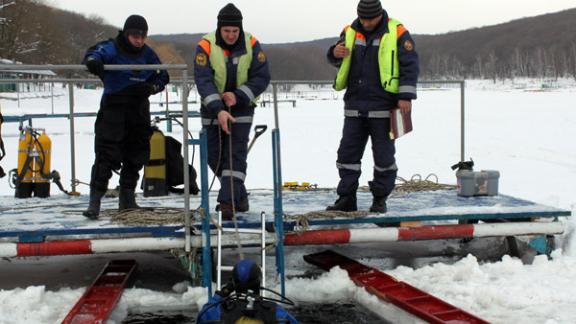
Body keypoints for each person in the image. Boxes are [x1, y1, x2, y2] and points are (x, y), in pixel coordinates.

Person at [326, 0, 419, 213]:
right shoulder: (349, 31)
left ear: (380, 15)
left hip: (384, 107)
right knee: (347, 156)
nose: (366, 23)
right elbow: (335, 58)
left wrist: (405, 96)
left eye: (371, 19)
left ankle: (380, 199)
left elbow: (410, 66)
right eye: (363, 18)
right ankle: (347, 198)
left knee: (384, 158)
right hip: (354, 106)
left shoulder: (397, 32)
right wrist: (333, 53)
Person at [82, 15, 170, 219]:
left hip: (138, 106)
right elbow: (93, 53)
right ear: (126, 33)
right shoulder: (113, 47)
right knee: (106, 153)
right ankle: (95, 201)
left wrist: (153, 86)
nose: (139, 40)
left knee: (137, 151)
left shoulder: (148, 54)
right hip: (114, 105)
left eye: (143, 36)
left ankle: (127, 198)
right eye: (135, 35)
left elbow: (163, 75)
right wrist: (93, 62)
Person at [194, 3, 271, 220]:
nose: (230, 35)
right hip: (212, 109)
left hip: (241, 108)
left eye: (235, 31)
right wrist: (218, 108)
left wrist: (237, 95)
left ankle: (227, 203)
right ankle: (240, 195)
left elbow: (262, 77)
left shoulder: (252, 44)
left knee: (234, 155)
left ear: (240, 29)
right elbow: (203, 79)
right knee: (214, 157)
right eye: (226, 31)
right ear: (219, 29)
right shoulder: (205, 45)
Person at [197, 259, 298, 324]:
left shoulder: (219, 312)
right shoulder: (276, 312)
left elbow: (201, 318)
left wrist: (222, 294)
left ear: (233, 284)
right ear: (259, 282)